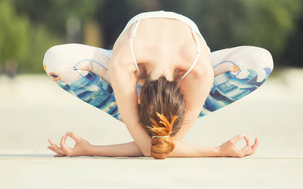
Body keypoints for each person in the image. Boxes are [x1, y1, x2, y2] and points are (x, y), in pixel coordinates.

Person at [43, 11, 273, 159]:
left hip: (188, 63)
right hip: (132, 57)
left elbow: (160, 148)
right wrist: (217, 151)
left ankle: (143, 117)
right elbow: (152, 149)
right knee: (55, 61)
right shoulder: (124, 65)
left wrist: (93, 150)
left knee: (260, 63)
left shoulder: (199, 73)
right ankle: (134, 113)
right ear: (138, 97)